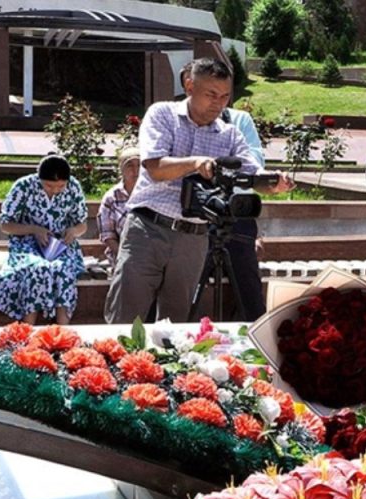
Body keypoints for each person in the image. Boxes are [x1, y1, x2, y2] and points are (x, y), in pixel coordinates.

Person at [105, 57, 290, 324]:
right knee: (124, 317)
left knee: (176, 327)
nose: (218, 103)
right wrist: (195, 163)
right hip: (148, 229)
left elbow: (250, 173)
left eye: (225, 96)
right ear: (189, 86)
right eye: (211, 94)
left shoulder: (230, 134)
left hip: (194, 237)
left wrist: (273, 181)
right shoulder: (163, 114)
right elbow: (155, 167)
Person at [0, 154, 88, 325]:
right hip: (26, 244)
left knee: (63, 270)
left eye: (60, 186)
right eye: (49, 186)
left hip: (60, 245)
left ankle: (63, 331)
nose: (55, 190)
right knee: (37, 268)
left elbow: (82, 224)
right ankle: (28, 328)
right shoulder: (24, 186)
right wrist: (34, 230)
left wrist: (73, 231)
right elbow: (5, 225)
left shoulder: (74, 187)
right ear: (39, 178)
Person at [222, 105, 267, 321]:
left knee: (248, 283)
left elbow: (255, 163)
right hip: (196, 213)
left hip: (238, 211)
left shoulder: (240, 120)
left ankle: (255, 331)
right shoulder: (179, 118)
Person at [98, 148, 139, 268]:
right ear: (121, 169)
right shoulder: (111, 197)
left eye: (139, 165)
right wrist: (124, 255)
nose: (135, 170)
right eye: (130, 165)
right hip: (121, 255)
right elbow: (107, 235)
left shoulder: (151, 193)